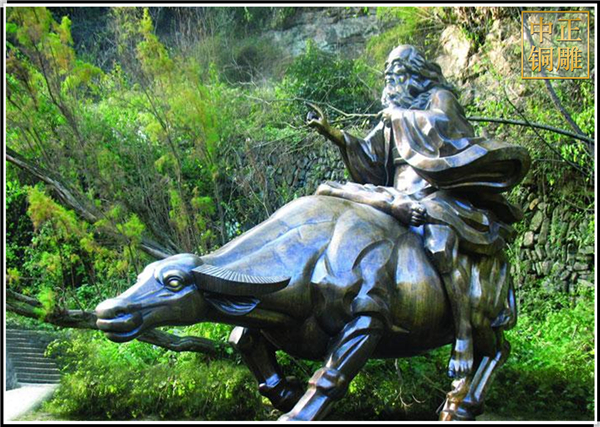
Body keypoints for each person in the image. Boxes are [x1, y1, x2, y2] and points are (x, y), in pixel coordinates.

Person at [307, 45, 530, 378]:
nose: (391, 80)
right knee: (339, 199)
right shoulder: (393, 112)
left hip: (435, 194)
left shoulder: (438, 98)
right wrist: (334, 134)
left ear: (414, 73)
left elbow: (447, 127)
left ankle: (463, 335)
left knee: (439, 245)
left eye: (397, 72)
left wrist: (400, 117)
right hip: (396, 193)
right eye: (387, 73)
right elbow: (370, 157)